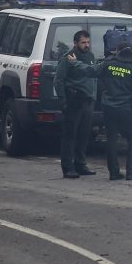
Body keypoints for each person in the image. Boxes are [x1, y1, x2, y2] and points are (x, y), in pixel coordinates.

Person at [99, 40, 132, 181]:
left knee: (111, 140)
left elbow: (91, 72)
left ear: (117, 51)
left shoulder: (107, 65)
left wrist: (75, 64)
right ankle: (131, 172)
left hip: (109, 109)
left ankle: (113, 172)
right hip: (128, 110)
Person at [55, 30, 99, 179]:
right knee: (70, 135)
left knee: (84, 134)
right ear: (75, 43)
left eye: (88, 42)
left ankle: (81, 164)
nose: (86, 45)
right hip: (74, 100)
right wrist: (63, 101)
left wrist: (93, 96)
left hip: (87, 100)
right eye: (83, 42)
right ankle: (68, 167)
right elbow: (59, 80)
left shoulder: (91, 56)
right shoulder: (68, 58)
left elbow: (93, 75)